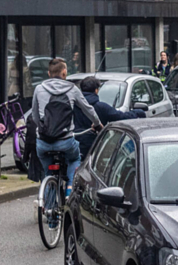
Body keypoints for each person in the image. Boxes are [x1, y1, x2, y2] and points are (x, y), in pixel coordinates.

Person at [31, 58, 101, 196]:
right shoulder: (72, 89)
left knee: (47, 172)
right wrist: (97, 124)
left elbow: (34, 115)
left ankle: (48, 199)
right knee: (74, 159)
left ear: (49, 73)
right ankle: (70, 190)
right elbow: (88, 110)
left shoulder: (39, 89)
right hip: (66, 141)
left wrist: (42, 129)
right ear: (64, 72)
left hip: (43, 142)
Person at [72, 76, 146, 154]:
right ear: (96, 90)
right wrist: (138, 112)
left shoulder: (72, 105)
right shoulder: (101, 107)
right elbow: (121, 117)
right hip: (93, 147)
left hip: (73, 144)